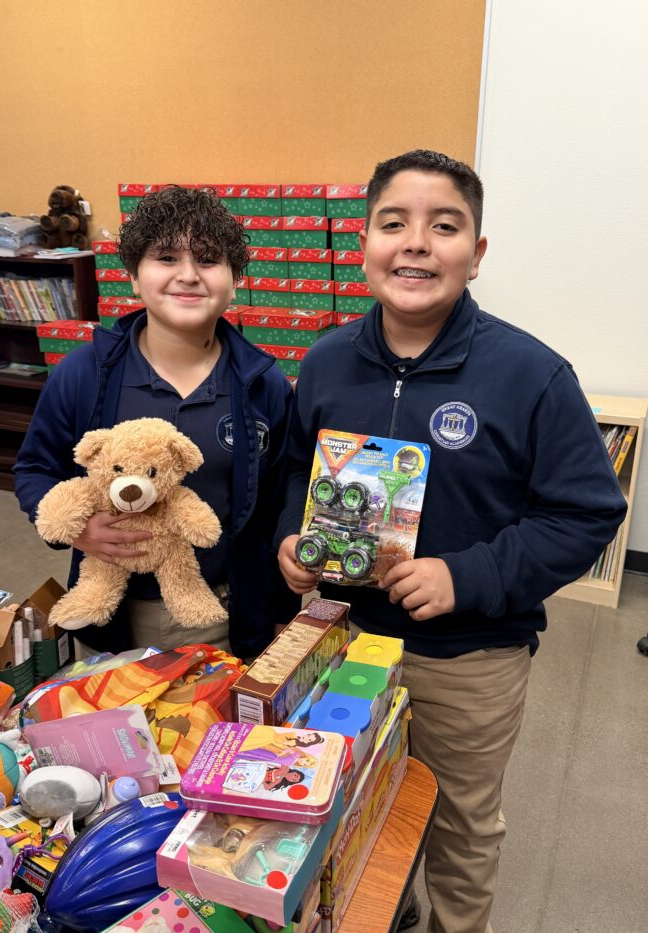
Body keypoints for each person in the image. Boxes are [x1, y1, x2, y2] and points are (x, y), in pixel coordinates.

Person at [276, 150, 627, 933]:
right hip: (343, 638)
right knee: (342, 804)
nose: (416, 243)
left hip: (468, 656)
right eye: (393, 223)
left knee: (461, 828)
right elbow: (298, 470)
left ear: (478, 252)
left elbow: (585, 513)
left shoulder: (532, 375)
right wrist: (290, 543)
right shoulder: (328, 360)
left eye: (445, 226)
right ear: (363, 243)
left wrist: (465, 576)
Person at [15, 185, 297, 662]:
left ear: (234, 280)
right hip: (112, 609)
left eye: (208, 260)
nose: (188, 275)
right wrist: (75, 529)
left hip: (223, 610)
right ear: (133, 276)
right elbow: (34, 471)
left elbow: (282, 491)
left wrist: (282, 606)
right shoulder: (83, 376)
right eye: (166, 257)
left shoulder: (263, 383)